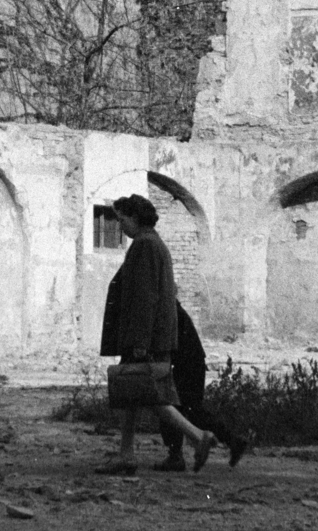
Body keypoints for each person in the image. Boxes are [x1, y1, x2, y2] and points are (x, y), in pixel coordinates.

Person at [96, 193, 218, 475]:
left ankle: (198, 437)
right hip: (152, 336)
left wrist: (139, 342)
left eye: (123, 218)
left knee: (151, 395)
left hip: (145, 339)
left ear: (136, 218)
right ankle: (126, 454)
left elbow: (144, 297)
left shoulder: (144, 246)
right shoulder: (154, 244)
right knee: (136, 394)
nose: (121, 225)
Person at [154, 301, 249, 471]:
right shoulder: (171, 308)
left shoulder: (166, 310)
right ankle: (232, 440)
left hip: (184, 363)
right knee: (192, 410)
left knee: (171, 406)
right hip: (191, 361)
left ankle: (175, 456)